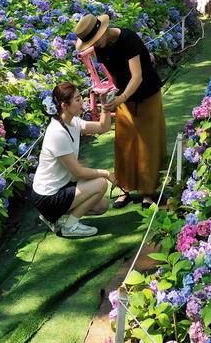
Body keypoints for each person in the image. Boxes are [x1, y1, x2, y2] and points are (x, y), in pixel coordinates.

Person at [73, 13, 165, 209]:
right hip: (124, 96)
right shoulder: (100, 49)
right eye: (91, 42)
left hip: (147, 94)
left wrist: (120, 99)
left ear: (105, 30)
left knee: (147, 142)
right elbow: (116, 77)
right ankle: (125, 188)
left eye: (96, 40)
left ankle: (147, 192)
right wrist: (111, 98)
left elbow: (137, 76)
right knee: (124, 142)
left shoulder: (128, 39)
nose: (94, 45)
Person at [31, 82, 117, 237]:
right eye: (77, 100)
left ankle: (54, 217)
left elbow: (103, 128)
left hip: (60, 187)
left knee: (101, 206)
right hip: (47, 197)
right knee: (100, 183)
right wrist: (106, 173)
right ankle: (70, 227)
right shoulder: (57, 132)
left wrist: (105, 107)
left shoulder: (73, 122)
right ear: (64, 105)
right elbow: (78, 172)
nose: (82, 103)